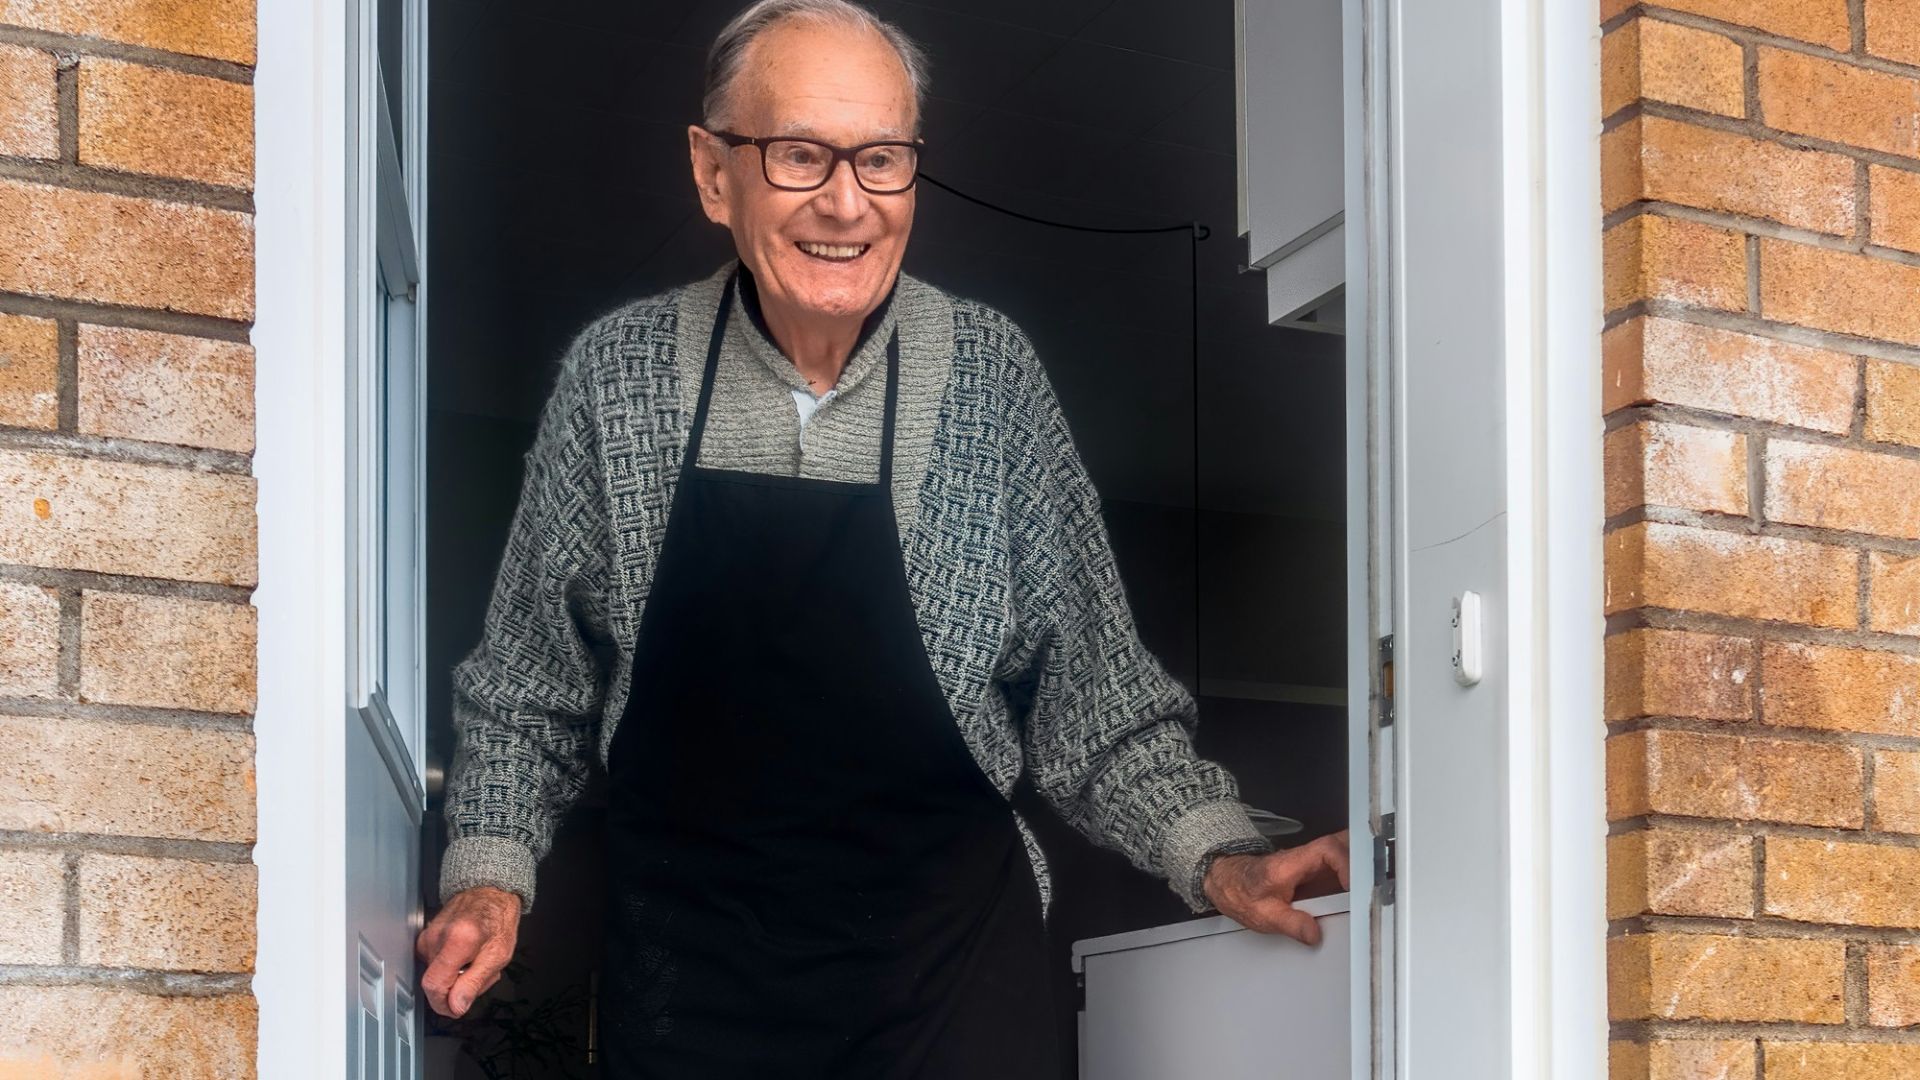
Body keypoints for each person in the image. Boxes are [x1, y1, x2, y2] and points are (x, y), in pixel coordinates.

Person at [415, 0, 1350, 1074]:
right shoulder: (618, 379)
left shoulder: (990, 380)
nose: (847, 205)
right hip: (693, 996)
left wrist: (1218, 855)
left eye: (884, 159)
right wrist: (488, 872)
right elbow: (528, 686)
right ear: (714, 172)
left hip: (950, 992)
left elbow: (1094, 704)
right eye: (801, 154)